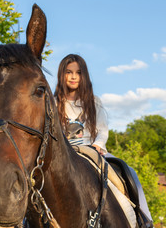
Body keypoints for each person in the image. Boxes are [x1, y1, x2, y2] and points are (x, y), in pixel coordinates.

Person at [54, 54, 153, 226]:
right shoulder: (54, 103)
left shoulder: (93, 102)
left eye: (78, 72)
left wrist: (97, 145)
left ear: (84, 76)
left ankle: (141, 217)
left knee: (127, 174)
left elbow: (102, 130)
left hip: (92, 150)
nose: (73, 76)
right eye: (68, 72)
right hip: (64, 152)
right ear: (61, 75)